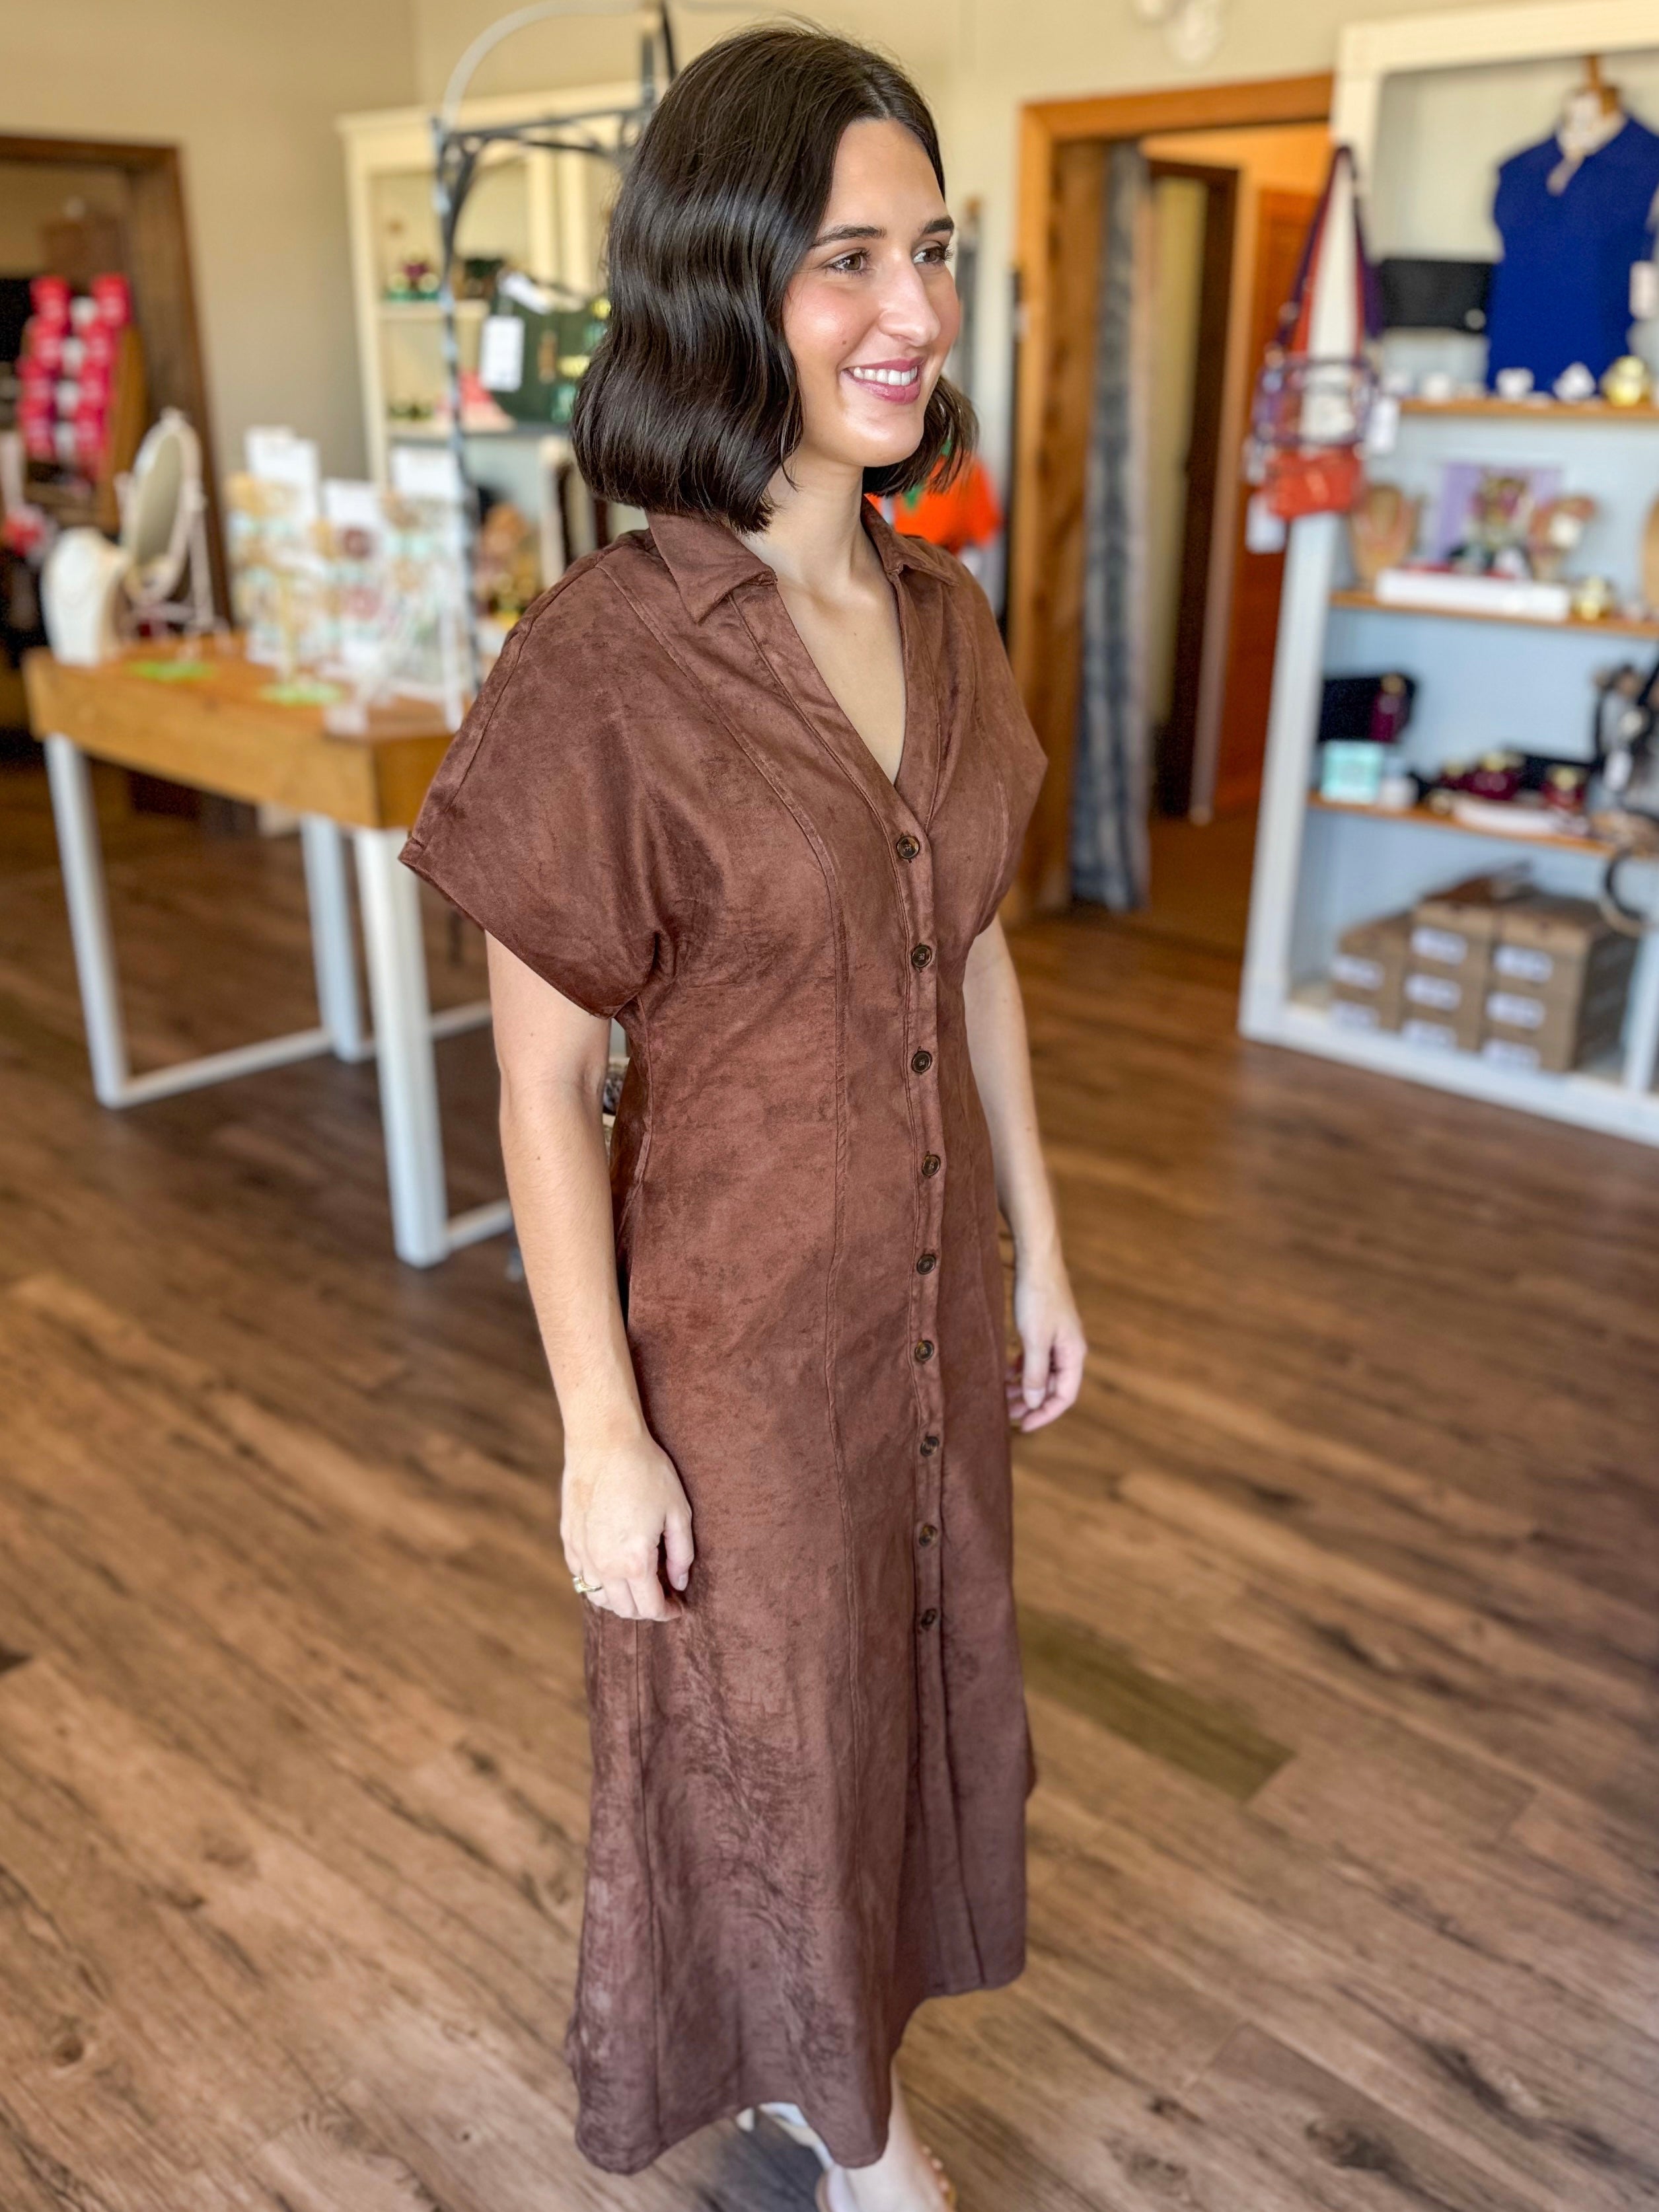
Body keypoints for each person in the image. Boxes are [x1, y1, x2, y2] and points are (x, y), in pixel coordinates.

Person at [401, 26, 1086, 2210]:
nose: (914, 314)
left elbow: (965, 938)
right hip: (734, 1341)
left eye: (938, 253)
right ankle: (849, 2136)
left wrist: (1040, 1243)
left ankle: (845, 2071)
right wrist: (602, 1430)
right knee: (769, 1739)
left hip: (919, 1309)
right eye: (848, 261)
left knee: (898, 1699)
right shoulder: (606, 659)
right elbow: (535, 1073)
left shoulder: (948, 618)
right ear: (725, 290)